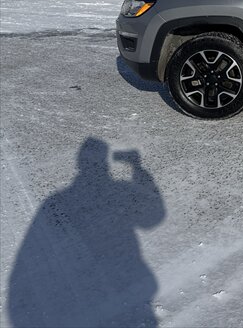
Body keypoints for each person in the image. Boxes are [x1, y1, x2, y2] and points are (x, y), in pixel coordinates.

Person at [8, 137, 166, 327]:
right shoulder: (119, 191)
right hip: (125, 287)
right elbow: (154, 216)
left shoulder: (56, 202)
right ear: (104, 164)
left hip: (88, 296)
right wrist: (137, 168)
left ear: (80, 164)